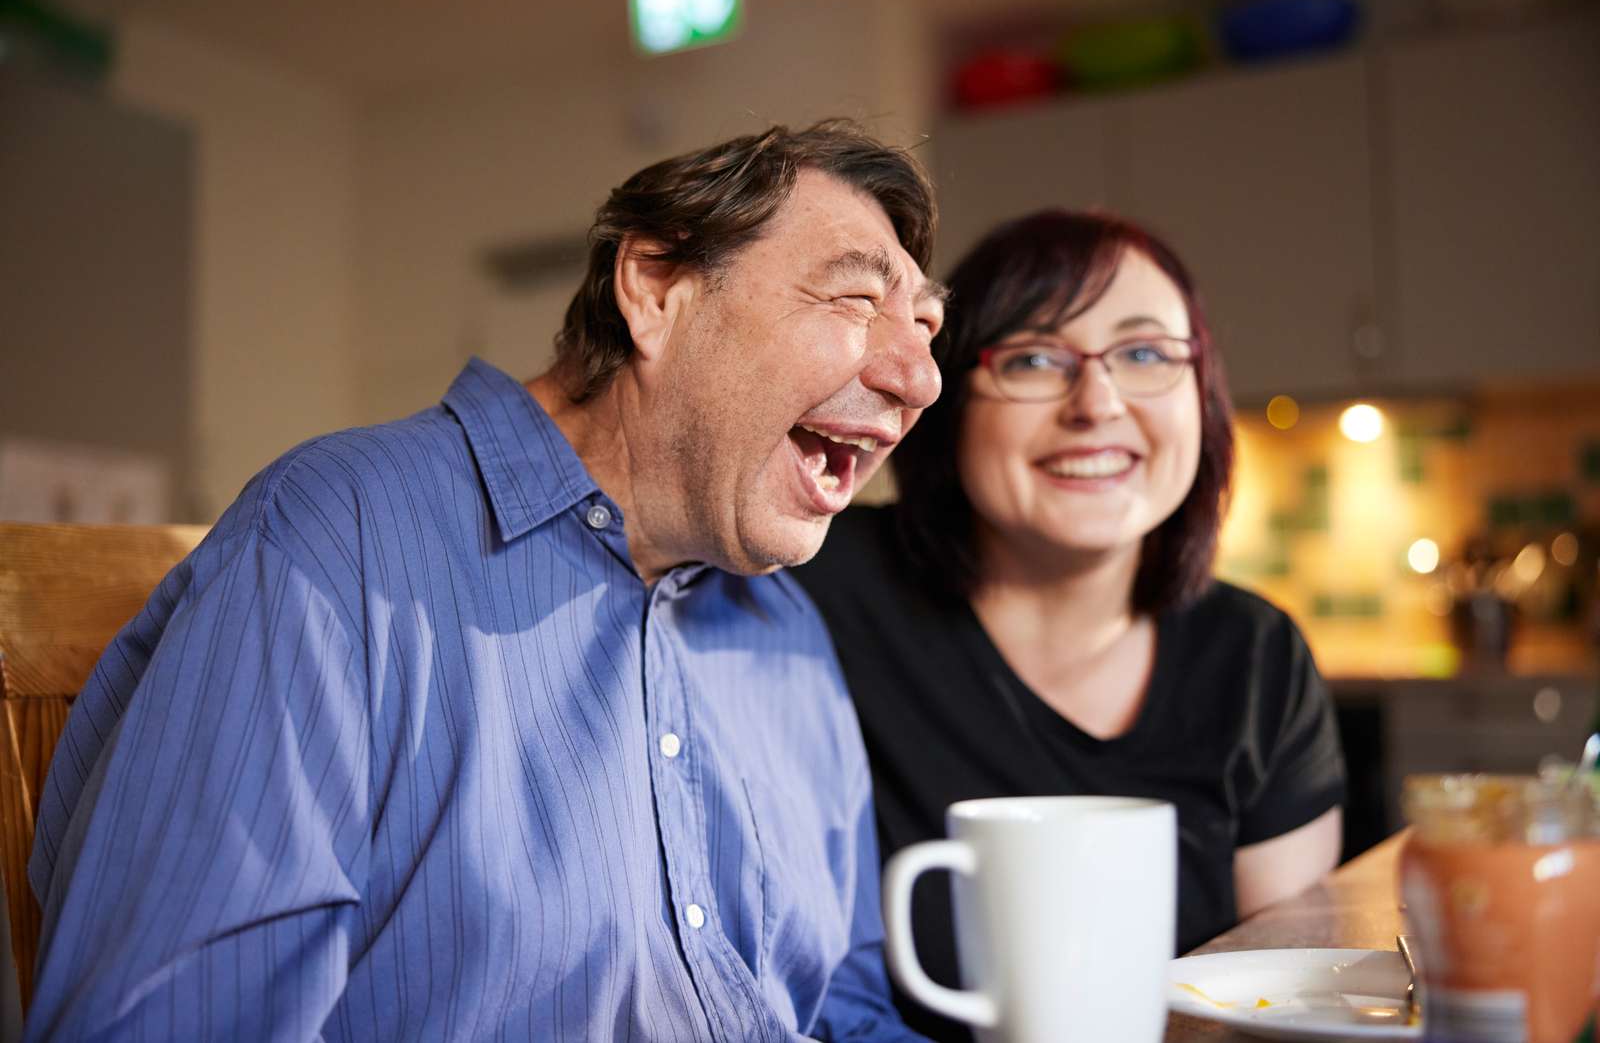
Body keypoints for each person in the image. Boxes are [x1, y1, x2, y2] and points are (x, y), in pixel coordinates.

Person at [25, 121, 949, 1042]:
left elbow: (847, 1007)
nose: (921, 379)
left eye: (924, 324)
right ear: (656, 287)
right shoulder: (338, 537)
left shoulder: (785, 626)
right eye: (857, 299)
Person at [791, 210, 1345, 1040]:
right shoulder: (818, 586)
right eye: (1034, 359)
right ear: (949, 399)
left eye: (1145, 354)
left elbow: (1279, 999)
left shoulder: (1255, 658)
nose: (1097, 403)